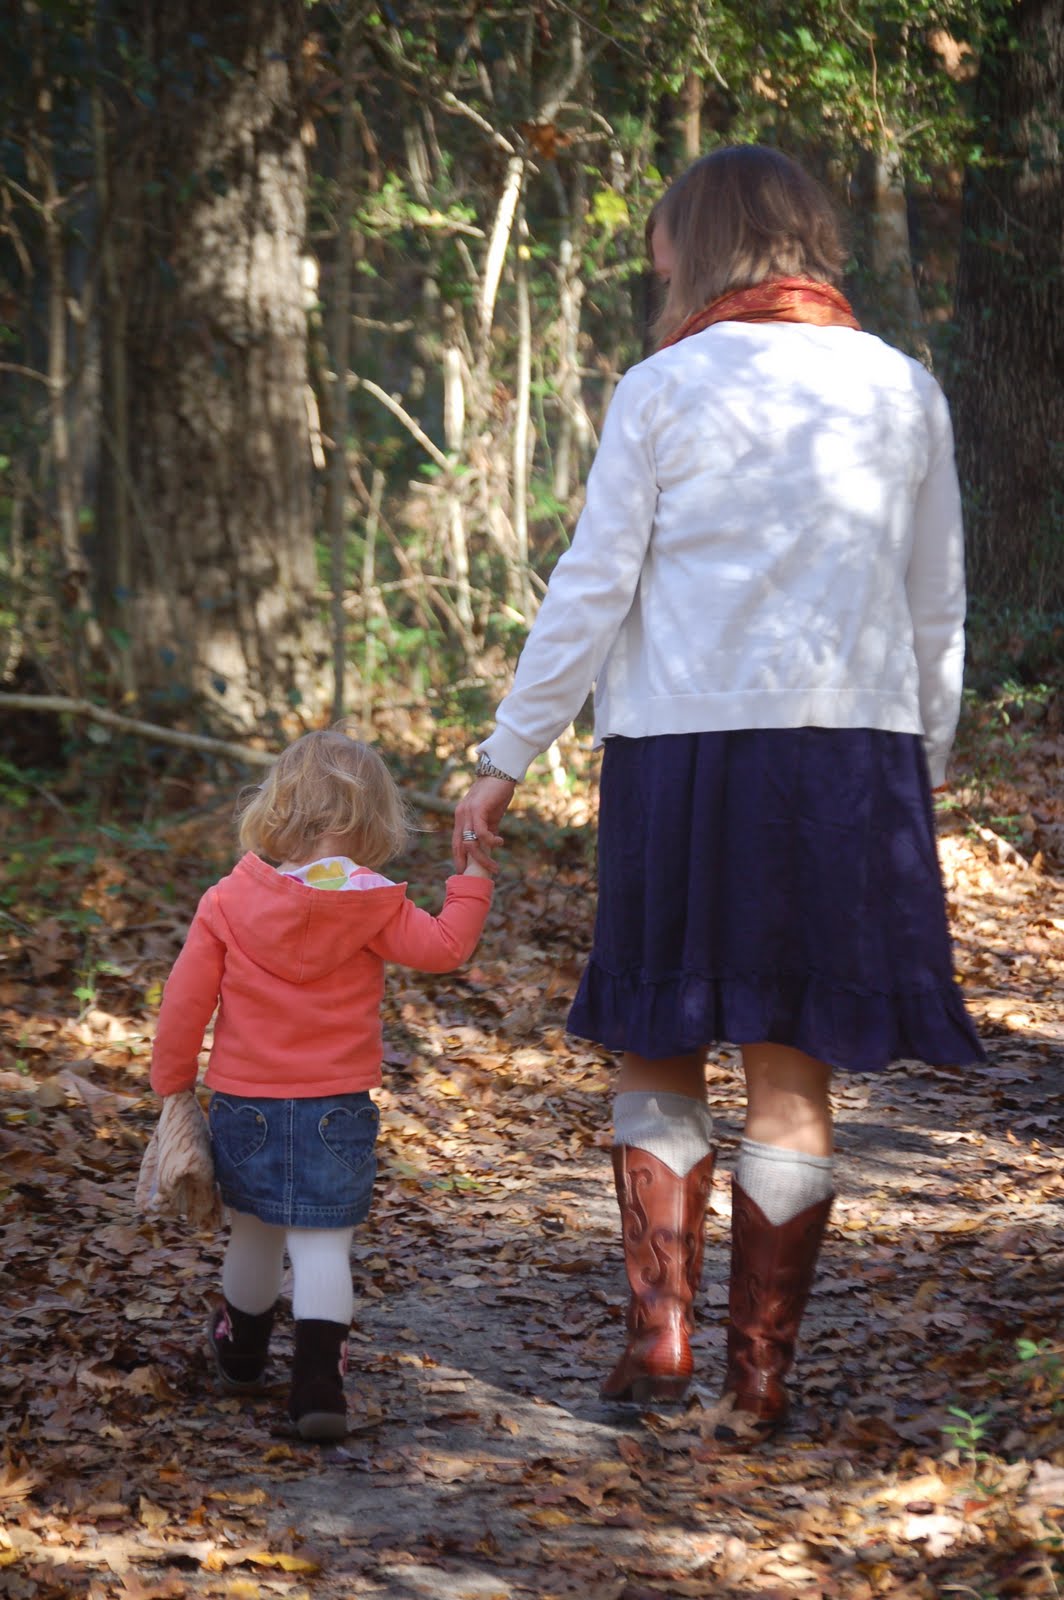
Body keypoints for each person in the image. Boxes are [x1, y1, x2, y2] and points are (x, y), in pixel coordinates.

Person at [453, 144, 984, 1442]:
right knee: (791, 1072)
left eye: (665, 254)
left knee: (659, 1040)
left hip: (681, 751)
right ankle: (759, 1376)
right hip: (846, 758)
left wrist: (507, 753)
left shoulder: (662, 387)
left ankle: (661, 1333)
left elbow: (594, 584)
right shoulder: (902, 386)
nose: (660, 276)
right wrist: (918, 766)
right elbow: (936, 602)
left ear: (702, 248)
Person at [150, 727, 493, 1440]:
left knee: (254, 1235)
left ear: (279, 807)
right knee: (323, 1246)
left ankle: (242, 1356)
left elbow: (185, 1002)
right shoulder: (370, 902)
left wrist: (172, 1083)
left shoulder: (229, 899)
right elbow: (446, 946)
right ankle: (317, 1389)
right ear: (372, 820)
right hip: (335, 1108)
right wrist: (472, 879)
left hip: (246, 1105)